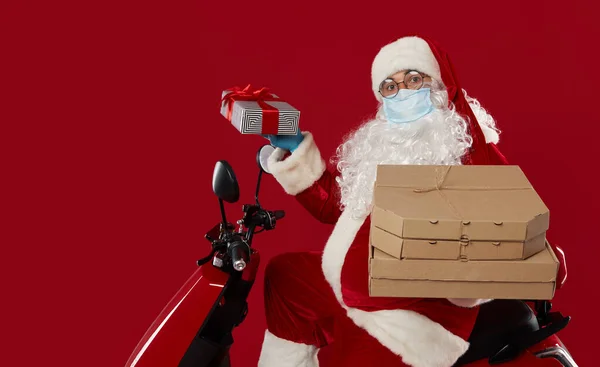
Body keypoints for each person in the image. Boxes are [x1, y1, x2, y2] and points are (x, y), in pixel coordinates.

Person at [257, 35, 509, 367]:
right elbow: (336, 205)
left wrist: (459, 105)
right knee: (287, 277)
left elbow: (500, 222)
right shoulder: (385, 148)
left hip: (417, 315)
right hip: (360, 290)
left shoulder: (469, 150)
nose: (403, 93)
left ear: (440, 86)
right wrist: (294, 148)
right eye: (390, 87)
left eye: (414, 80)